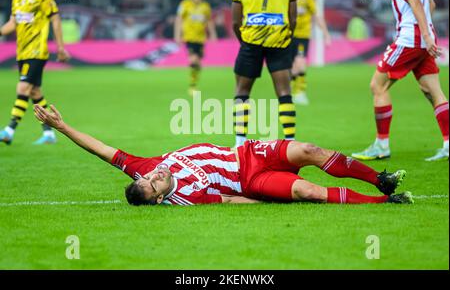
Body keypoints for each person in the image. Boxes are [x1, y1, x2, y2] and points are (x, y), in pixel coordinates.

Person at [34, 104, 413, 206]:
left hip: (248, 151)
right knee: (307, 192)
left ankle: (378, 176)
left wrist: (63, 128)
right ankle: (384, 199)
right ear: (162, 197)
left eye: (146, 179)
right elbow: (233, 199)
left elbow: (101, 149)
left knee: (311, 149)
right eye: (153, 185)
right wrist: (266, 198)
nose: (153, 176)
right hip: (253, 179)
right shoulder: (186, 198)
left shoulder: (141, 167)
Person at [352, 0, 448, 162]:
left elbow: (414, 0)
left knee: (378, 86)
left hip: (410, 39)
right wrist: (427, 33)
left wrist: (424, 35)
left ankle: (381, 145)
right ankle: (448, 144)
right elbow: (431, 4)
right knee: (433, 91)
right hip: (422, 38)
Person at [0, 0, 70, 146]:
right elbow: (12, 24)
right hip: (22, 52)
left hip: (37, 52)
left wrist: (61, 47)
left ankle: (9, 130)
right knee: (35, 93)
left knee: (23, 87)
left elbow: (55, 20)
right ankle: (49, 134)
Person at [231, 0, 297, 148]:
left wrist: (244, 41)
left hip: (251, 40)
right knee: (284, 91)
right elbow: (293, 18)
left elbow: (236, 22)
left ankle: (239, 143)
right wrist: (285, 38)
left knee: (242, 90)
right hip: (279, 40)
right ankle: (291, 141)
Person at [290, 0, 331, 105]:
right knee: (292, 67)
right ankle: (289, 91)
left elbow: (318, 17)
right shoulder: (286, 0)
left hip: (302, 37)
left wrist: (326, 34)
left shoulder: (308, 0)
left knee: (300, 63)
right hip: (287, 37)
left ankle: (300, 92)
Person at [174, 0, 218, 96]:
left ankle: (194, 83)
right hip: (189, 37)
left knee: (197, 62)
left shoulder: (205, 6)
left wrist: (212, 33)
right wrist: (177, 35)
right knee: (193, 60)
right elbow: (178, 19)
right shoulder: (185, 4)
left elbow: (209, 21)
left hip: (201, 38)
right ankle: (192, 87)